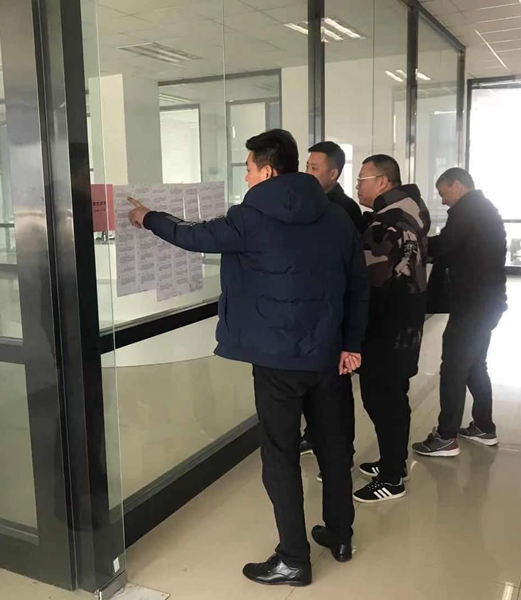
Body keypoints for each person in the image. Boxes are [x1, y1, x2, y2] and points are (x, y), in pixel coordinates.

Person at [128, 129, 369, 587]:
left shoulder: (249, 217)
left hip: (277, 361)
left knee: (280, 455)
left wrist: (147, 217)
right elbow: (359, 285)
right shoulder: (337, 217)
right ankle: (340, 536)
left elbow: (192, 235)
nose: (246, 176)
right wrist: (351, 345)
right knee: (335, 448)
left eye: (249, 168)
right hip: (327, 356)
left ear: (268, 171)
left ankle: (293, 558)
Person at [351, 155, 431, 503]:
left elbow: (373, 285)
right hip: (405, 325)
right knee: (393, 397)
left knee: (383, 399)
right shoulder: (410, 212)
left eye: (362, 179)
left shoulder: (387, 223)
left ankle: (392, 478)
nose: (358, 186)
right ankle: (392, 462)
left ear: (382, 182)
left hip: (386, 329)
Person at [412, 168, 507, 457]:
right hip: (486, 303)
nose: (443, 200)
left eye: (444, 193)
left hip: (472, 305)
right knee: (475, 365)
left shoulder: (468, 210)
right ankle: (483, 427)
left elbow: (446, 246)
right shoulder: (483, 209)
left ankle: (446, 437)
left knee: (453, 367)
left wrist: (415, 241)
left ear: (457, 185)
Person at [300, 141, 364, 460]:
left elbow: (353, 276)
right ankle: (314, 436)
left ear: (333, 173)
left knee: (336, 393)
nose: (307, 173)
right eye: (307, 166)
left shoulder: (344, 210)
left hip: (334, 317)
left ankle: (343, 451)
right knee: (311, 387)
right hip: (310, 316)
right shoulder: (305, 205)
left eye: (314, 168)